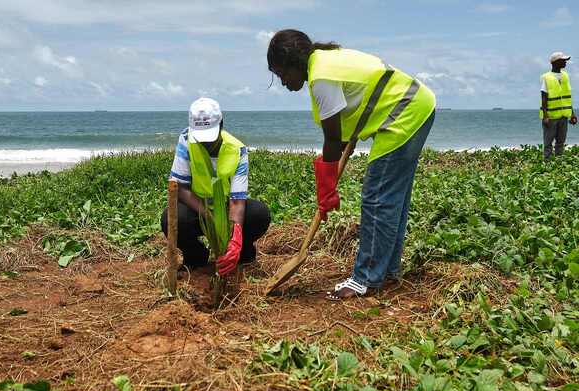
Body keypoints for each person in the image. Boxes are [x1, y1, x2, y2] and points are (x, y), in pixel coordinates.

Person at [267, 29, 436, 300]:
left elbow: (333, 140)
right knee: (392, 199)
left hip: (405, 113)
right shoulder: (324, 61)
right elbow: (344, 131)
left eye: (282, 73)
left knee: (378, 197)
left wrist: (326, 188)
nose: (283, 82)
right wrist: (329, 180)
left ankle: (366, 279)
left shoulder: (322, 76)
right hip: (418, 108)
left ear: (293, 62)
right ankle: (388, 271)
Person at [161, 98, 271, 276]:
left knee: (259, 214)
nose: (205, 143)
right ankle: (196, 257)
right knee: (171, 218)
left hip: (228, 209)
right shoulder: (186, 140)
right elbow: (180, 188)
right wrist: (209, 216)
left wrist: (235, 235)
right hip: (197, 209)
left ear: (221, 124)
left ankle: (242, 254)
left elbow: (237, 201)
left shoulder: (237, 149)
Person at [540, 51, 577, 160]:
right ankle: (547, 164)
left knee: (561, 142)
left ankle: (559, 164)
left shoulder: (565, 76)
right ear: (555, 62)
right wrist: (545, 116)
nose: (565, 62)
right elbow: (544, 98)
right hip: (551, 117)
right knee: (548, 143)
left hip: (564, 115)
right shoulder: (547, 77)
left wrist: (572, 114)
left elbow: (567, 98)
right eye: (563, 60)